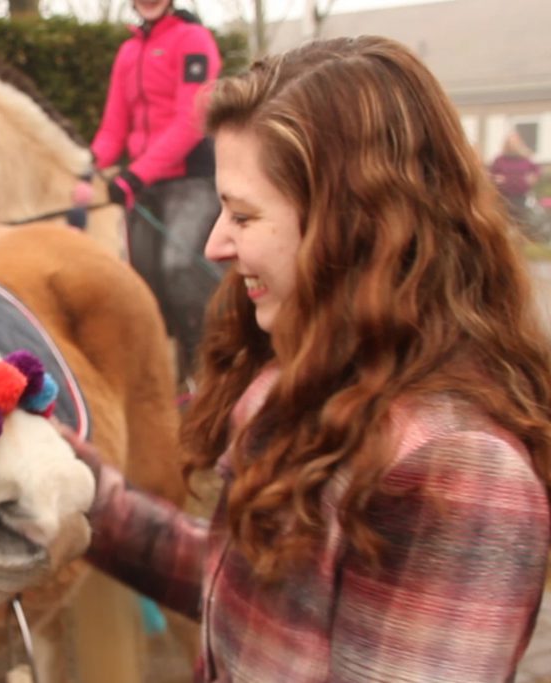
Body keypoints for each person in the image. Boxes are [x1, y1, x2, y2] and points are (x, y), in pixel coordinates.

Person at [66, 35, 551, 681]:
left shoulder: (457, 469)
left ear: (350, 224)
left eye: (243, 215)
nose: (214, 244)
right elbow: (250, 600)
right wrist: (90, 496)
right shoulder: (300, 383)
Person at [85, 0, 225, 380]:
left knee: (180, 270)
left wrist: (136, 174)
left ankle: (214, 375)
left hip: (191, 179)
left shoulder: (193, 39)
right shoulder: (128, 51)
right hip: (145, 186)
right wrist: (85, 166)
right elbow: (113, 128)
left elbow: (193, 119)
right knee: (144, 288)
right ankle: (171, 384)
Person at [490, 129, 542, 231]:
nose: (512, 145)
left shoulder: (525, 159)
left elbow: (537, 170)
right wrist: (496, 178)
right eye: (509, 143)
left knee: (519, 219)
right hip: (504, 195)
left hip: (520, 195)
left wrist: (532, 178)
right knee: (505, 219)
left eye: (514, 142)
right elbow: (491, 174)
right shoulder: (500, 159)